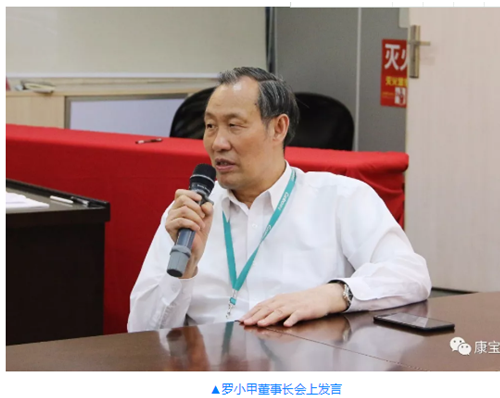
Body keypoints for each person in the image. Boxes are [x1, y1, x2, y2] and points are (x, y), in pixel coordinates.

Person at [128, 67, 431, 332]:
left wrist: (332, 294)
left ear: (278, 128)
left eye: (234, 125)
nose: (218, 142)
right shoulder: (190, 214)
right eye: (210, 126)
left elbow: (411, 275)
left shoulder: (341, 199)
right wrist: (185, 271)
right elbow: (141, 331)